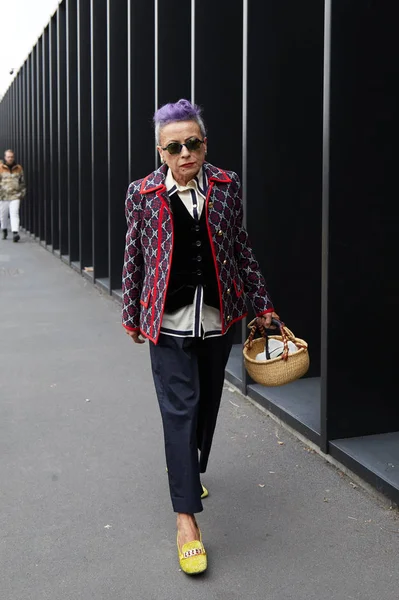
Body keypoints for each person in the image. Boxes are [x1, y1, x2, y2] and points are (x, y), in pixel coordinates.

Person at [121, 99, 275, 575]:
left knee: (207, 405)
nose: (186, 153)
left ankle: (189, 470)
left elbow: (240, 247)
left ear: (204, 142)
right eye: (175, 146)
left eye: (194, 143)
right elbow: (134, 256)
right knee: (180, 409)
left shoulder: (227, 187)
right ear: (160, 151)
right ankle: (186, 519)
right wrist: (131, 313)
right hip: (165, 324)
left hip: (217, 319)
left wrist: (262, 305)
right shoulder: (142, 194)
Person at [0, 149, 26, 242]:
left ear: (13, 157)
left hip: (15, 195)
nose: (10, 158)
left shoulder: (18, 168)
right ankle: (4, 230)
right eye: (8, 157)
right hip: (3, 196)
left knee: (14, 213)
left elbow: (22, 181)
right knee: (3, 215)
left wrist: (22, 193)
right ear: (5, 157)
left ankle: (15, 233)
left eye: (11, 157)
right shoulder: (1, 168)